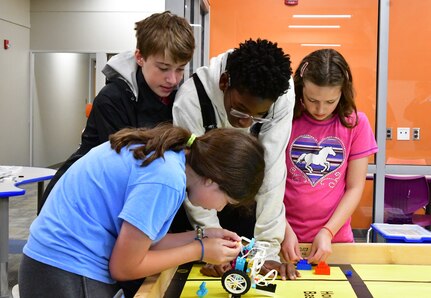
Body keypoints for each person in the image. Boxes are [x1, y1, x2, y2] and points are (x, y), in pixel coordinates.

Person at [19, 124, 266, 298]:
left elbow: (145, 245)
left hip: (55, 266)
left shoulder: (171, 160)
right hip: (64, 270)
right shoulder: (166, 179)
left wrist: (202, 236)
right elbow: (125, 267)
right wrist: (199, 250)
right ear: (213, 180)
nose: (219, 209)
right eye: (226, 201)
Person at [38, 11, 195, 213]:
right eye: (163, 68)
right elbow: (123, 169)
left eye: (180, 69)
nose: (173, 80)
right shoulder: (112, 99)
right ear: (140, 57)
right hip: (77, 201)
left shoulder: (179, 99)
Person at [173, 38, 295, 277]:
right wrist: (209, 244)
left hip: (248, 202)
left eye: (258, 117)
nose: (245, 122)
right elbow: (190, 181)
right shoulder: (191, 100)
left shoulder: (280, 94)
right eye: (239, 109)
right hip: (201, 198)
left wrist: (267, 251)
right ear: (224, 82)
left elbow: (272, 170)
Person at [281, 49, 378, 270]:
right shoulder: (285, 119)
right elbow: (269, 183)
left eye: (330, 101)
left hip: (334, 240)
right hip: (284, 238)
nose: (320, 109)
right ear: (300, 88)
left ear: (343, 93)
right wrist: (282, 229)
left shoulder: (356, 123)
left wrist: (328, 231)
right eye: (312, 99)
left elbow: (355, 187)